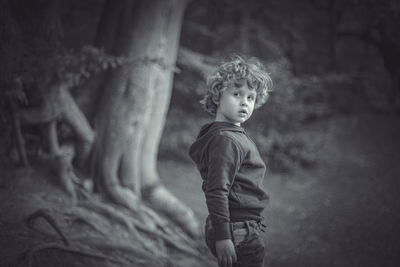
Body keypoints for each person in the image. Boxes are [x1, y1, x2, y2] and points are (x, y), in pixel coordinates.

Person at [188, 55, 273, 267]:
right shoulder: (227, 140)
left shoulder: (222, 134)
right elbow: (217, 189)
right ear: (217, 96)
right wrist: (224, 236)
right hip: (236, 230)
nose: (245, 101)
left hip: (236, 227)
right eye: (237, 94)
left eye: (251, 97)